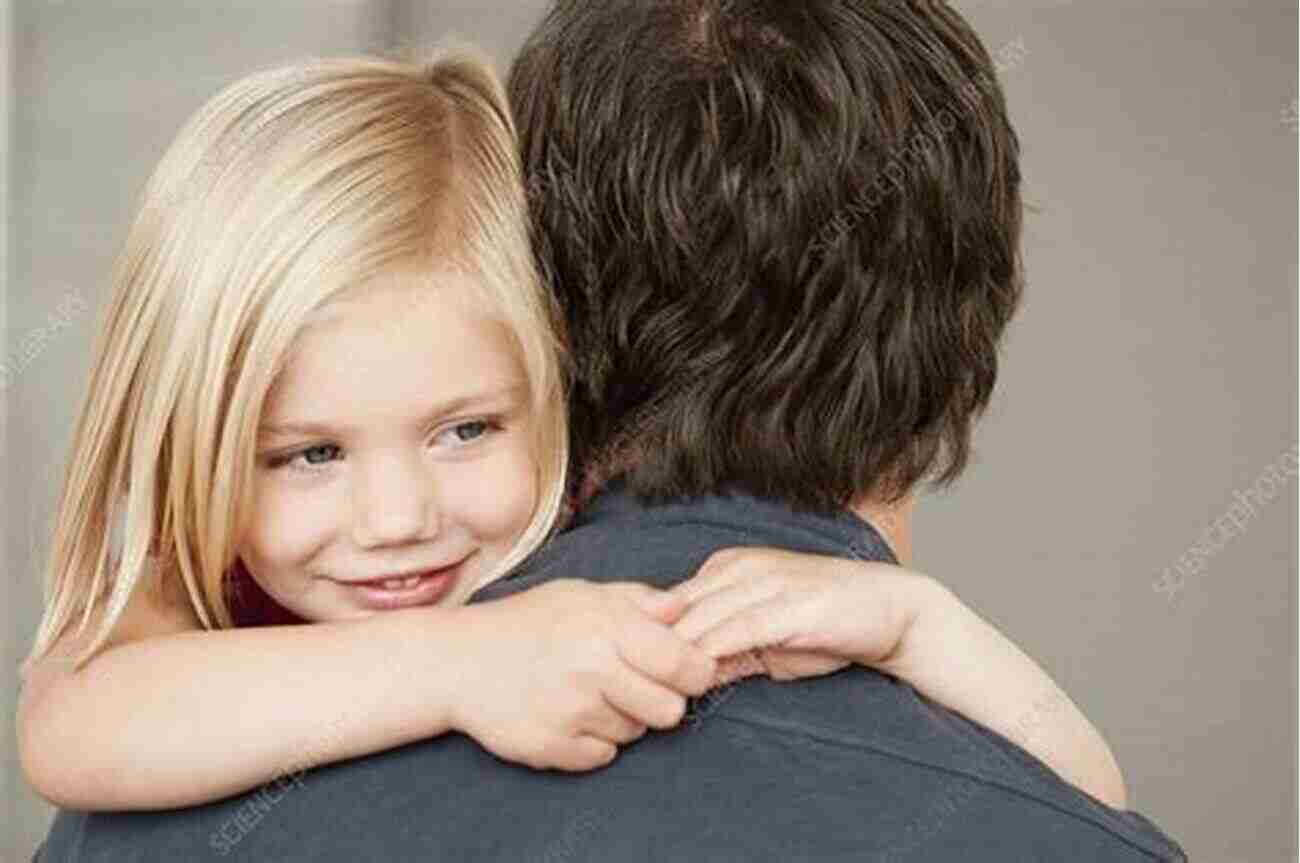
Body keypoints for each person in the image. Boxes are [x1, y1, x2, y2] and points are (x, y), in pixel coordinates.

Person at [29, 4, 1189, 861]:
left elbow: (1085, 791)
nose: (396, 520)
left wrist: (919, 624)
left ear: (561, 361)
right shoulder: (183, 631)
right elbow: (70, 725)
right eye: (307, 452)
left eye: (467, 428)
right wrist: (459, 662)